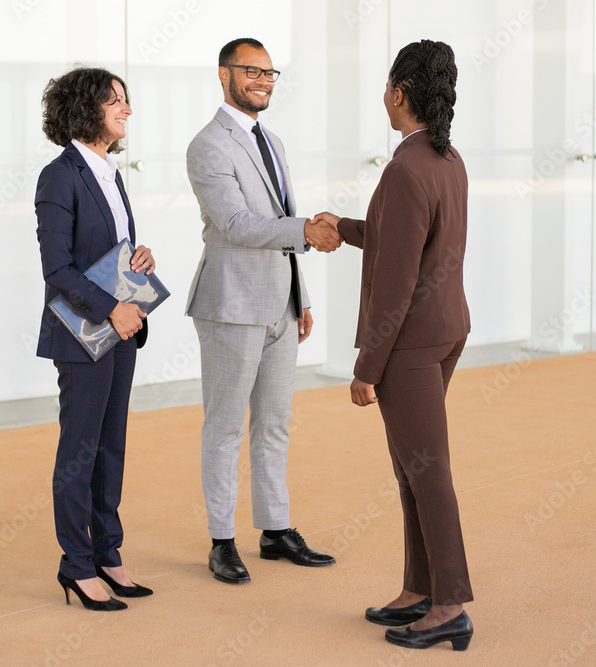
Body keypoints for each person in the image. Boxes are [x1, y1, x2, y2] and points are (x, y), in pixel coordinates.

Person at [313, 40, 474, 650]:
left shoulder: (405, 168)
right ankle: (419, 589)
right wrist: (344, 228)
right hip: (445, 331)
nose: (383, 95)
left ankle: (451, 604)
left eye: (387, 85)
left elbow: (397, 279)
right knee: (414, 467)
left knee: (427, 473)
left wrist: (366, 366)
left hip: (408, 347)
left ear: (400, 93)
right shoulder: (446, 158)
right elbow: (406, 240)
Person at [185, 38, 341, 584]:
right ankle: (222, 541)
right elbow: (234, 224)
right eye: (251, 71)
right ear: (224, 75)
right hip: (231, 304)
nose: (263, 80)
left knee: (275, 424)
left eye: (269, 72)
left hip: (281, 305)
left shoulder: (270, 139)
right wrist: (306, 231)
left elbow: (280, 220)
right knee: (225, 427)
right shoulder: (208, 145)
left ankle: (275, 530)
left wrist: (302, 299)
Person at [35, 66, 156, 611]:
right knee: (80, 451)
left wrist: (139, 258)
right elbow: (57, 268)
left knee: (112, 447)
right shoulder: (59, 176)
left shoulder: (110, 171)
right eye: (115, 102)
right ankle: (75, 564)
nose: (126, 109)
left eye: (126, 101)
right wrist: (114, 307)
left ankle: (108, 554)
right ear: (86, 110)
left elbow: (105, 250)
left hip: (121, 331)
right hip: (84, 332)